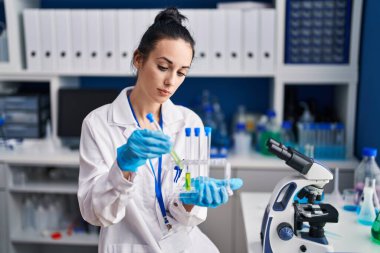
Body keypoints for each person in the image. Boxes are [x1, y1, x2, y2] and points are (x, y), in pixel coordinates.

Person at [78, 7, 243, 253]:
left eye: (181, 73)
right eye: (163, 67)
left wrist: (192, 200)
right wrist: (123, 168)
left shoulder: (189, 124)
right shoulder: (98, 124)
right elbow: (95, 214)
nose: (171, 81)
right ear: (138, 59)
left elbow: (187, 217)